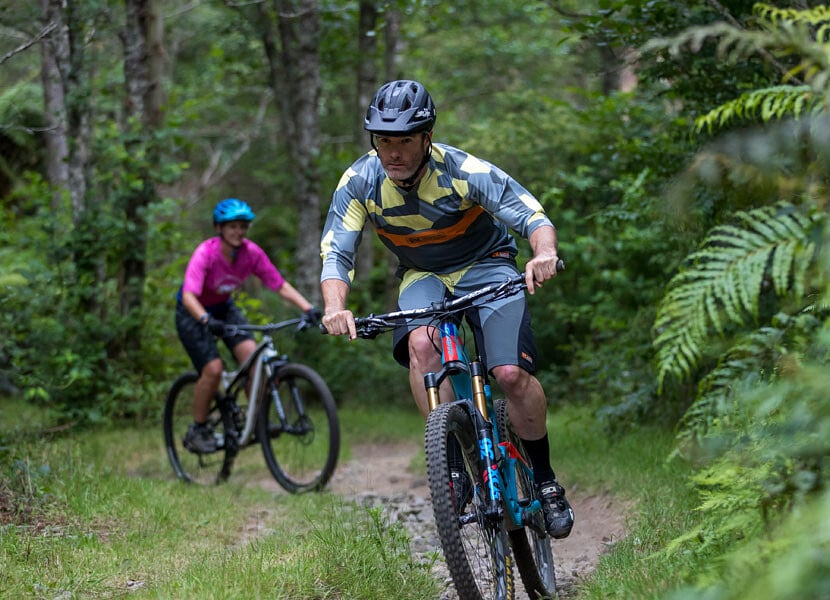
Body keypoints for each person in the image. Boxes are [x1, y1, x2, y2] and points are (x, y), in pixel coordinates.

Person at [318, 79, 574, 539]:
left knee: (510, 375)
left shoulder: (462, 170)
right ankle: (454, 465)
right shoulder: (360, 181)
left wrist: (543, 254)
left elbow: (531, 214)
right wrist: (335, 306)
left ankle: (546, 480)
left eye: (403, 141)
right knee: (421, 346)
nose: (392, 153)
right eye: (383, 141)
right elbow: (337, 250)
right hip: (424, 275)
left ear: (427, 138)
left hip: (488, 266)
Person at [176, 198, 322, 453]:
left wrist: (308, 308)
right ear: (219, 228)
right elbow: (189, 296)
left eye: (243, 226)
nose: (239, 232)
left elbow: (279, 284)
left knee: (253, 358)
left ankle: (257, 421)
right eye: (232, 226)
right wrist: (206, 320)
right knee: (213, 369)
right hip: (193, 312)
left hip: (224, 308)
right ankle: (198, 428)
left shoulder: (251, 253)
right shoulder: (206, 253)